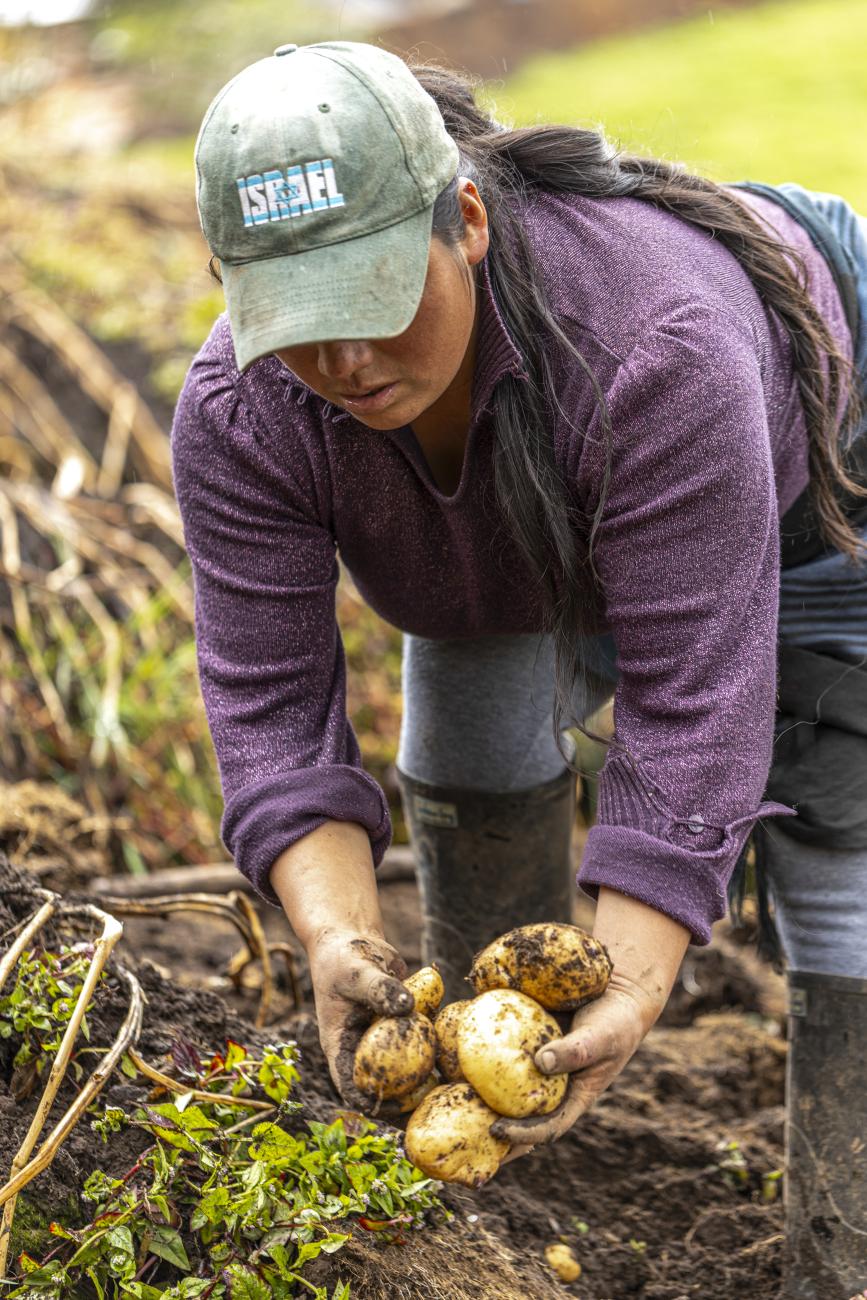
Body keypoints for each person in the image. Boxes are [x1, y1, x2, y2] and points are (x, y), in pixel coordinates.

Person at [173, 40, 867, 1298]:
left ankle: (846, 1245)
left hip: (820, 452)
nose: (342, 361)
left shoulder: (657, 348)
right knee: (465, 727)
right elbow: (270, 703)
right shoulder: (243, 409)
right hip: (532, 487)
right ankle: (496, 1143)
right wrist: (333, 938)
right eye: (296, 320)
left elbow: (695, 700)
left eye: (373, 294)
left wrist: (637, 982)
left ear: (469, 222)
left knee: (844, 833)